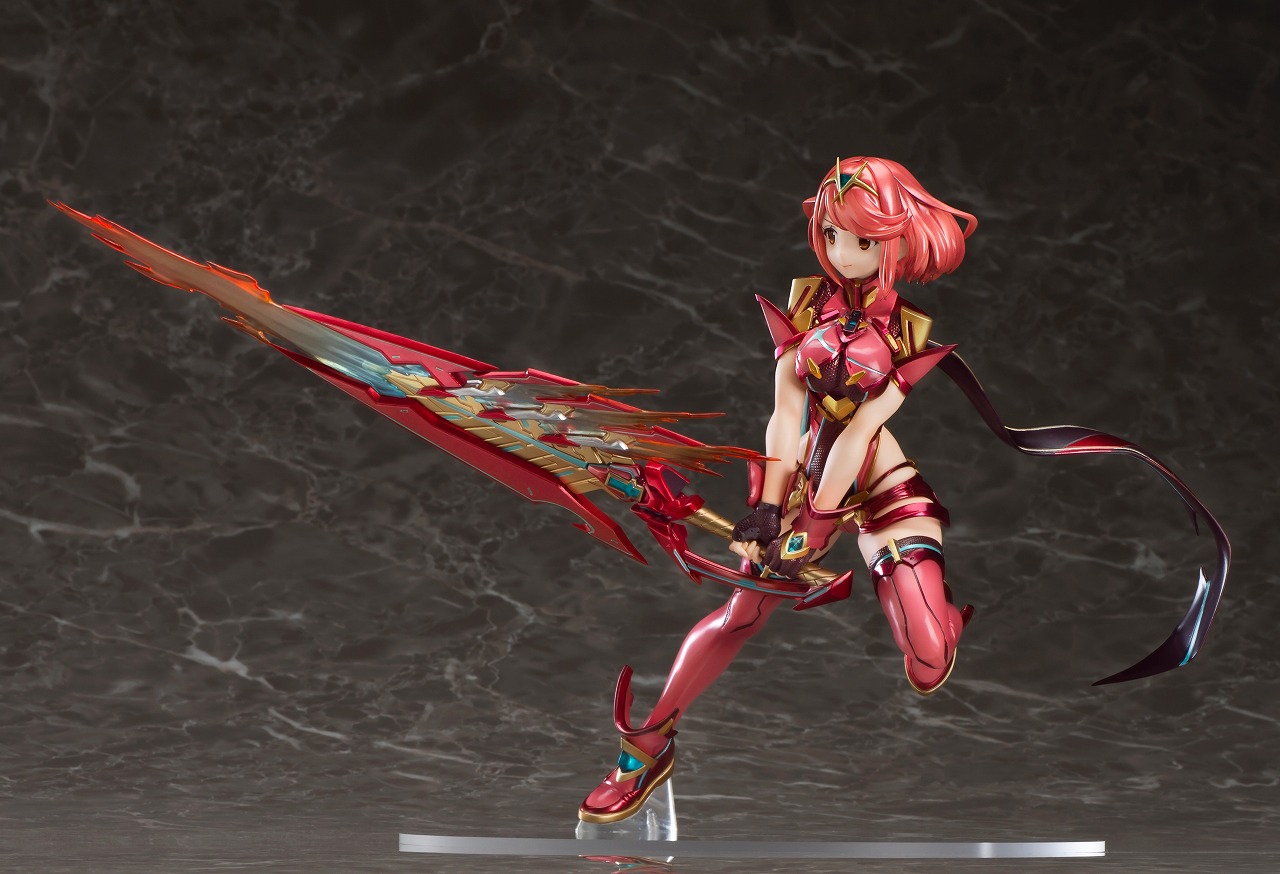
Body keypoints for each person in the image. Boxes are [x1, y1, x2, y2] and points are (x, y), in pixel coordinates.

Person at [579, 156, 979, 825]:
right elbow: (785, 415)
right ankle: (645, 748)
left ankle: (941, 624)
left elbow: (859, 434)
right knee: (741, 612)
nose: (841, 252)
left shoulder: (906, 334)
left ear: (894, 241)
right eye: (831, 235)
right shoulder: (805, 307)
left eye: (860, 239)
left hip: (879, 486)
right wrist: (771, 509)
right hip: (802, 478)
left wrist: (818, 525)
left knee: (929, 663)